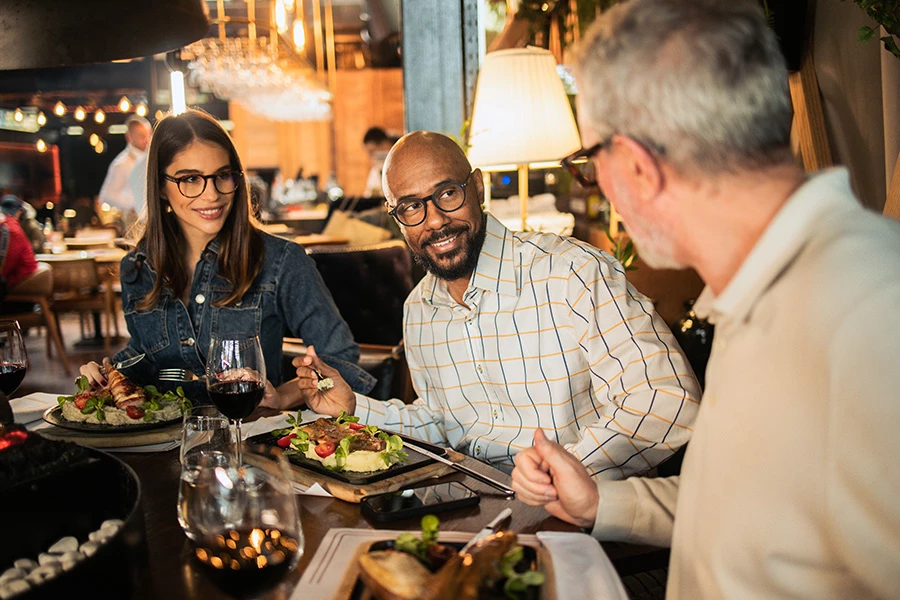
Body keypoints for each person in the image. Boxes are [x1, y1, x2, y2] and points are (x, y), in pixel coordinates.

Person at [511, 1, 900, 598]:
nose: (598, 185)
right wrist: (602, 502)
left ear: (638, 166)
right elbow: (755, 499)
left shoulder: (870, 316)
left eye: (591, 161)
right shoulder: (757, 292)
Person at [271, 130, 700, 477]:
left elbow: (668, 403)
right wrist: (353, 408)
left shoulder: (572, 273)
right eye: (411, 207)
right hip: (472, 506)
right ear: (396, 217)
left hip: (580, 514)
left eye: (447, 195)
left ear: (477, 187)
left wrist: (560, 473)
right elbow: (443, 422)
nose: (435, 220)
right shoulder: (419, 309)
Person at [80, 109, 374, 405]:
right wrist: (108, 375)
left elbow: (340, 357)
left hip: (250, 439)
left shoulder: (281, 260)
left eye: (223, 175)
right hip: (161, 440)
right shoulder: (137, 268)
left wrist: (283, 396)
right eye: (191, 179)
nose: (212, 195)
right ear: (160, 187)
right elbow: (147, 355)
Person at [98, 115, 152, 230]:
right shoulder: (122, 163)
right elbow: (106, 196)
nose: (147, 139)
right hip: (134, 220)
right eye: (142, 136)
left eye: (149, 134)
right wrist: (134, 203)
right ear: (129, 137)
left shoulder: (150, 158)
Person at [362, 127, 394, 198]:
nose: (371, 156)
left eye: (372, 151)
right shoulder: (376, 168)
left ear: (384, 144)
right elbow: (368, 195)